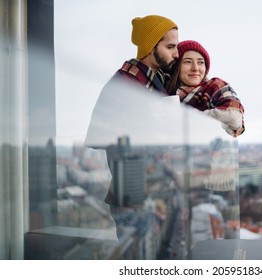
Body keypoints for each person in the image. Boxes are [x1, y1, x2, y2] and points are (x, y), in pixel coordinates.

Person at [83, 15, 180, 258]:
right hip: (133, 197)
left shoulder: (155, 81)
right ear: (151, 46)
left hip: (150, 193)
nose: (176, 54)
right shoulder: (124, 85)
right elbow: (102, 135)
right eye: (170, 47)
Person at [165, 40, 245, 137]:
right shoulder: (164, 91)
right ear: (176, 66)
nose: (195, 68)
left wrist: (187, 118)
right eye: (187, 62)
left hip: (208, 150)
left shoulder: (215, 86)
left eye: (200, 62)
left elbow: (233, 116)